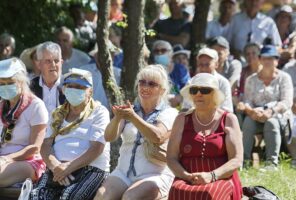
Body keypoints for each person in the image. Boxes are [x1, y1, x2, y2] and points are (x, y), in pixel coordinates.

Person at [94, 65, 178, 200]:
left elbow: (158, 136)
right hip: (123, 173)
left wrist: (133, 117)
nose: (145, 87)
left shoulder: (169, 113)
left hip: (154, 174)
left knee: (130, 197)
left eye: (151, 84)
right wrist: (118, 117)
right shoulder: (131, 110)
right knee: (102, 196)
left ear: (162, 90)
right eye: (142, 82)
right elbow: (108, 137)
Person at [30, 68, 110, 200]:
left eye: (79, 87)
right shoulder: (57, 113)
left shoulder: (99, 112)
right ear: (64, 89)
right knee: (36, 195)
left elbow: (97, 148)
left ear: (90, 91)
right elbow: (45, 145)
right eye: (70, 86)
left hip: (90, 169)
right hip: (57, 169)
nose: (74, 90)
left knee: (69, 197)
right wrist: (56, 166)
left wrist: (68, 168)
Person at [167, 73, 243, 200]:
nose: (198, 94)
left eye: (205, 90)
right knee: (177, 190)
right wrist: (186, 176)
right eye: (194, 90)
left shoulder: (228, 119)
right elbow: (171, 158)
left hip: (221, 178)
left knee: (208, 194)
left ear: (215, 95)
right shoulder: (182, 119)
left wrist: (211, 176)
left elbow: (236, 160)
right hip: (188, 178)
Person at [239, 45, 293, 170]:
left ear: (277, 60)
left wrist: (270, 111)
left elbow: (287, 101)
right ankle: (244, 162)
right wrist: (251, 111)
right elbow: (247, 100)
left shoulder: (284, 78)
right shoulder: (251, 79)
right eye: (264, 58)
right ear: (260, 59)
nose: (268, 61)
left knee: (271, 123)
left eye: (271, 58)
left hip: (278, 116)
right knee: (248, 122)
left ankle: (271, 163)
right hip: (256, 114)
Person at [0, 58, 48, 187]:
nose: (5, 87)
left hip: (29, 161)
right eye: (1, 84)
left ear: (21, 82)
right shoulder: (1, 106)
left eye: (10, 83)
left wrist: (6, 159)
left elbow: (34, 148)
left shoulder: (36, 106)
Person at [182, 47, 233, 112]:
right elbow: (185, 108)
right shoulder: (190, 82)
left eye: (207, 64)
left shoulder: (223, 83)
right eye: (201, 64)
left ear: (216, 64)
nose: (203, 68)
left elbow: (227, 110)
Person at [30, 42, 66, 116]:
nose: (53, 65)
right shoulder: (29, 87)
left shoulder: (70, 85)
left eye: (56, 61)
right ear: (39, 64)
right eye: (48, 61)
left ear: (61, 63)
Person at [152, 40, 190, 107]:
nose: (160, 53)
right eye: (156, 51)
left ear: (171, 53)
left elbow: (188, 88)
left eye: (163, 50)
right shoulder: (151, 71)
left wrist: (178, 98)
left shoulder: (180, 69)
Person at [283, 43, 296, 168]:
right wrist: (292, 103)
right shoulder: (288, 68)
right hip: (291, 106)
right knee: (291, 125)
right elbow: (283, 89)